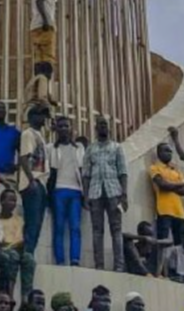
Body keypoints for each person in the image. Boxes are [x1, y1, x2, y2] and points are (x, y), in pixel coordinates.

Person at [82, 115, 128, 272]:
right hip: (95, 193)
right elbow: (86, 174)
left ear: (109, 128)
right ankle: (99, 265)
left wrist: (124, 195)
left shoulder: (117, 147)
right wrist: (86, 195)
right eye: (100, 125)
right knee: (97, 230)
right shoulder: (90, 149)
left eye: (105, 124)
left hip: (114, 192)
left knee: (116, 230)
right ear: (96, 128)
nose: (102, 127)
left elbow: (123, 172)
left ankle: (119, 266)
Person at [48, 115, 85, 266]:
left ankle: (75, 259)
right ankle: (60, 260)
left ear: (71, 129)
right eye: (61, 126)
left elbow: (83, 171)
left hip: (76, 191)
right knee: (59, 227)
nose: (64, 129)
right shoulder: (51, 148)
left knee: (75, 227)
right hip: (58, 191)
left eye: (66, 126)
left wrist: (86, 195)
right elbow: (50, 172)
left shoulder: (79, 148)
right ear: (56, 129)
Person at [18, 104, 50, 256]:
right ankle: (27, 254)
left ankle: (29, 253)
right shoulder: (28, 134)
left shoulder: (39, 135)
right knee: (32, 222)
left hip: (41, 183)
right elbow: (24, 158)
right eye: (40, 115)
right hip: (33, 184)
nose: (44, 118)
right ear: (31, 118)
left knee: (37, 224)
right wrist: (31, 180)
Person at [0, 188, 35, 302]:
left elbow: (19, 240)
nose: (13, 203)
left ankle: (26, 298)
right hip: (1, 251)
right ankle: (10, 295)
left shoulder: (19, 220)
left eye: (15, 201)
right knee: (13, 256)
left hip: (16, 249)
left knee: (29, 259)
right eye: (11, 200)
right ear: (2, 202)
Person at [149, 142, 184, 245]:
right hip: (164, 211)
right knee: (163, 244)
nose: (169, 153)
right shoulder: (154, 168)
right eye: (166, 150)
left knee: (180, 245)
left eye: (170, 151)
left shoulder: (176, 170)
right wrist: (178, 184)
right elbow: (162, 185)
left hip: (180, 213)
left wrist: (169, 185)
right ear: (159, 153)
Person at [29, 0, 66, 75]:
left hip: (35, 26)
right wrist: (46, 20)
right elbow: (39, 1)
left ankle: (40, 83)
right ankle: (44, 82)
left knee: (38, 57)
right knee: (48, 57)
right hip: (45, 26)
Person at [0, 101, 21, 188]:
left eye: (3, 108)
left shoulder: (14, 132)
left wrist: (18, 166)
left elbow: (23, 153)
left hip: (9, 176)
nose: (1, 110)